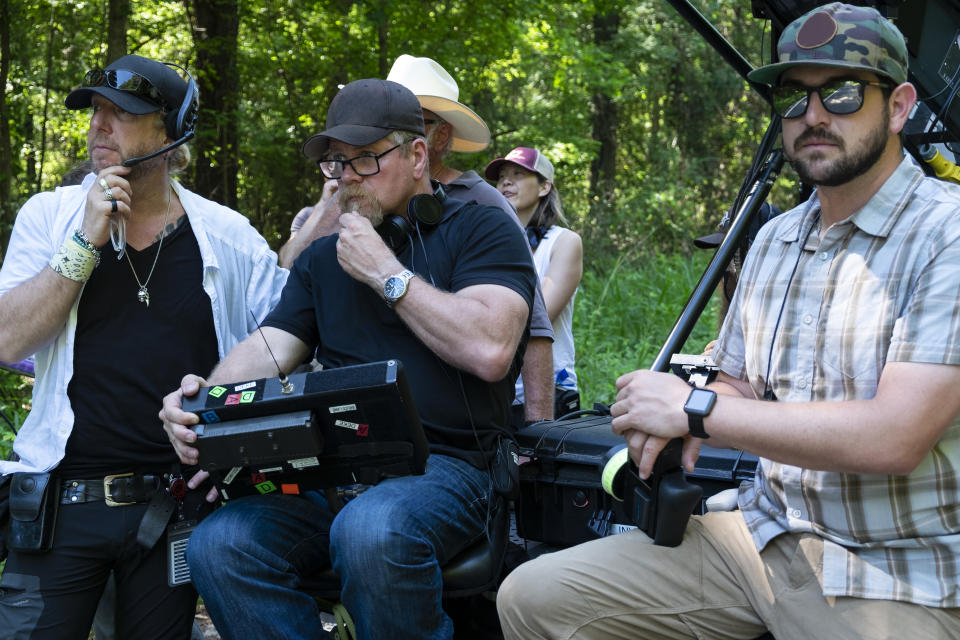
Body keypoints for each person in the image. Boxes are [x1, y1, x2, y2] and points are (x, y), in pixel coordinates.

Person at [497, 4, 960, 639]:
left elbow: (894, 437)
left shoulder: (946, 232)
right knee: (533, 597)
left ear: (900, 106)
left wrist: (694, 411)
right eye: (793, 97)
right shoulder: (775, 238)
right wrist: (672, 407)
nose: (814, 115)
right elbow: (742, 384)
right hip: (759, 536)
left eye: (843, 92)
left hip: (896, 572)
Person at [160, 78, 536, 639]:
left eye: (365, 159)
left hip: (453, 468)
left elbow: (490, 350)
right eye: (337, 163)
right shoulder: (322, 259)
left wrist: (386, 273)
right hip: (334, 469)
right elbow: (269, 348)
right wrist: (201, 403)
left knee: (371, 528)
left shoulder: (482, 227)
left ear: (415, 155)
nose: (347, 178)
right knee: (220, 544)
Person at [0, 54, 287, 639]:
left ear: (172, 131)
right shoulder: (51, 217)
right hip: (62, 503)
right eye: (95, 111)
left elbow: (286, 345)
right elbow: (8, 338)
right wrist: (85, 241)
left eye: (122, 113)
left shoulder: (229, 240)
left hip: (177, 508)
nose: (99, 126)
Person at [385, 54, 558, 426]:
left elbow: (538, 325)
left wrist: (540, 433)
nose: (389, 134)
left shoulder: (483, 203)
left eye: (409, 123)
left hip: (462, 432)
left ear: (441, 135)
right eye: (384, 123)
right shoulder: (365, 198)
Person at [485, 147, 583, 421]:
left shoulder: (564, 242)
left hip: (548, 393)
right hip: (492, 393)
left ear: (544, 187)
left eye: (518, 174)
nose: (506, 181)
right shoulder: (488, 244)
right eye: (502, 176)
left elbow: (539, 317)